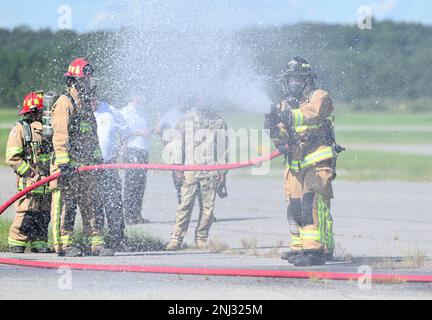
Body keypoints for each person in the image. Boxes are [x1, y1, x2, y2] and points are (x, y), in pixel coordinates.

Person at [264, 57, 342, 266]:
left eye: (296, 79)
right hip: (295, 164)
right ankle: (300, 248)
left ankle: (316, 251)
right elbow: (282, 136)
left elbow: (311, 114)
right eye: (289, 80)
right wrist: (273, 127)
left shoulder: (320, 97)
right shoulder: (284, 105)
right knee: (295, 207)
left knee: (312, 204)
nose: (292, 84)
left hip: (317, 161)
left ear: (306, 80)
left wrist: (286, 115)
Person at [50, 58, 112, 257]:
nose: (88, 85)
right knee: (66, 208)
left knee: (92, 205)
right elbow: (60, 136)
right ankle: (64, 246)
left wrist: (99, 162)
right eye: (84, 81)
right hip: (68, 168)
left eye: (88, 81)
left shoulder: (85, 105)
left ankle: (94, 244)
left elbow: (93, 138)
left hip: (87, 169)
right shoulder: (64, 103)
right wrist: (64, 164)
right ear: (74, 81)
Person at [165, 98, 228, 251]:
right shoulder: (186, 120)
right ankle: (176, 238)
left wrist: (222, 171)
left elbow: (223, 149)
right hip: (190, 169)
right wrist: (177, 166)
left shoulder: (218, 122)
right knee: (185, 205)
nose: (203, 101)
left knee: (208, 207)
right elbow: (177, 144)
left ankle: (201, 238)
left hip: (210, 169)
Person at [5, 92, 51, 253]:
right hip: (29, 183)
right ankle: (16, 242)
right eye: (36, 112)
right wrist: (30, 174)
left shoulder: (47, 130)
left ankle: (39, 243)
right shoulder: (20, 130)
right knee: (27, 214)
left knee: (44, 215)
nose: (37, 114)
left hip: (46, 182)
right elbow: (12, 158)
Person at [92, 96, 131, 251]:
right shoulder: (82, 111)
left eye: (92, 98)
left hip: (109, 165)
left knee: (114, 202)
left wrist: (120, 151)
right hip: (91, 168)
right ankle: (97, 240)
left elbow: (126, 132)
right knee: (95, 204)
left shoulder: (110, 111)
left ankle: (118, 238)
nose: (90, 102)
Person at [120, 95, 151, 225]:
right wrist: (139, 133)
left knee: (140, 183)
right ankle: (128, 215)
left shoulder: (142, 111)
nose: (142, 98)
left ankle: (136, 214)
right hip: (131, 149)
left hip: (143, 150)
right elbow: (122, 132)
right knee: (131, 183)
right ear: (133, 96)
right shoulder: (124, 112)